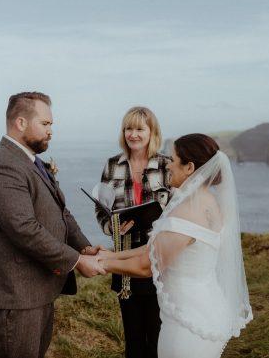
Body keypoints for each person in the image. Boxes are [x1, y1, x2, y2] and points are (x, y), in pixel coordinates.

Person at [98, 133, 253, 358]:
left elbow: (146, 266)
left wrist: (100, 264)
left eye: (172, 159)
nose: (167, 165)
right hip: (207, 308)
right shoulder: (210, 201)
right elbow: (154, 247)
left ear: (189, 167)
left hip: (187, 323)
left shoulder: (188, 210)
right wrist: (111, 256)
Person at [0, 91, 105, 358]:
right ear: (21, 123)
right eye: (45, 124)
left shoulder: (30, 162)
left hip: (37, 294)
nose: (51, 131)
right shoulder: (3, 167)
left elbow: (61, 213)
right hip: (13, 301)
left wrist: (83, 247)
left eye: (51, 125)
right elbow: (24, 230)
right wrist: (76, 262)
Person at [95, 106, 172, 358]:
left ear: (152, 132)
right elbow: (102, 210)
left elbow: (177, 210)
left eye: (140, 128)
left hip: (159, 257)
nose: (133, 134)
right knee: (133, 336)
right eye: (129, 128)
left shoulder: (166, 165)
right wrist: (114, 226)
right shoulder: (111, 165)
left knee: (159, 332)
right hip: (125, 257)